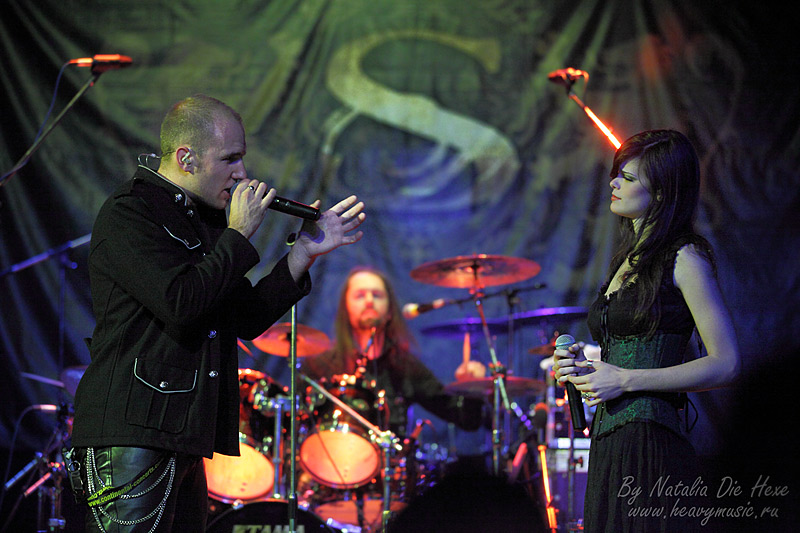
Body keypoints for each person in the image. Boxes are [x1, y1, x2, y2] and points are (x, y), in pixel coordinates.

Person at [68, 94, 365, 532]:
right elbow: (181, 303)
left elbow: (243, 318)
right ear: (186, 158)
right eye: (230, 159)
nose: (242, 173)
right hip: (131, 437)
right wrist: (238, 234)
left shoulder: (202, 221)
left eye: (241, 159)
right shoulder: (131, 212)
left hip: (182, 433)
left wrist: (302, 253)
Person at [553, 130, 739, 532]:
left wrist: (625, 379)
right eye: (617, 174)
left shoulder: (685, 256)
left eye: (629, 178)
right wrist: (584, 368)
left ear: (661, 193)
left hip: (651, 441)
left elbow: (727, 363)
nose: (614, 183)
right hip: (608, 441)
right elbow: (629, 351)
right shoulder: (628, 259)